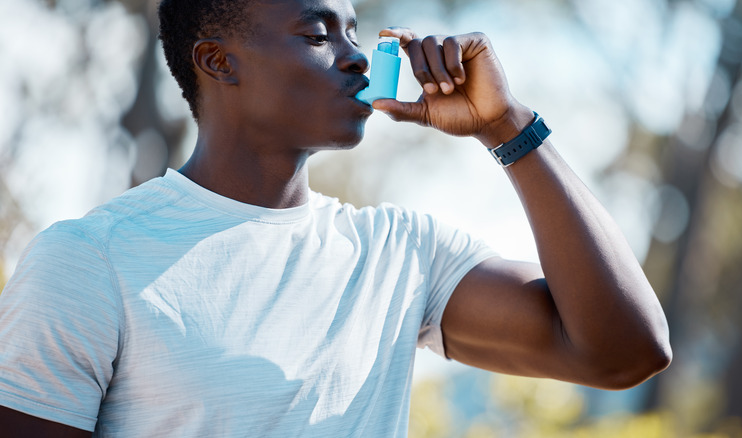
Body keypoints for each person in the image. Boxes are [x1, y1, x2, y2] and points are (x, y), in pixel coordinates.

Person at [0, 0, 672, 436]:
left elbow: (626, 352)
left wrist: (508, 127)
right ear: (217, 60)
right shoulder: (89, 261)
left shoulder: (402, 255)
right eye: (317, 34)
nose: (355, 56)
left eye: (353, 31)